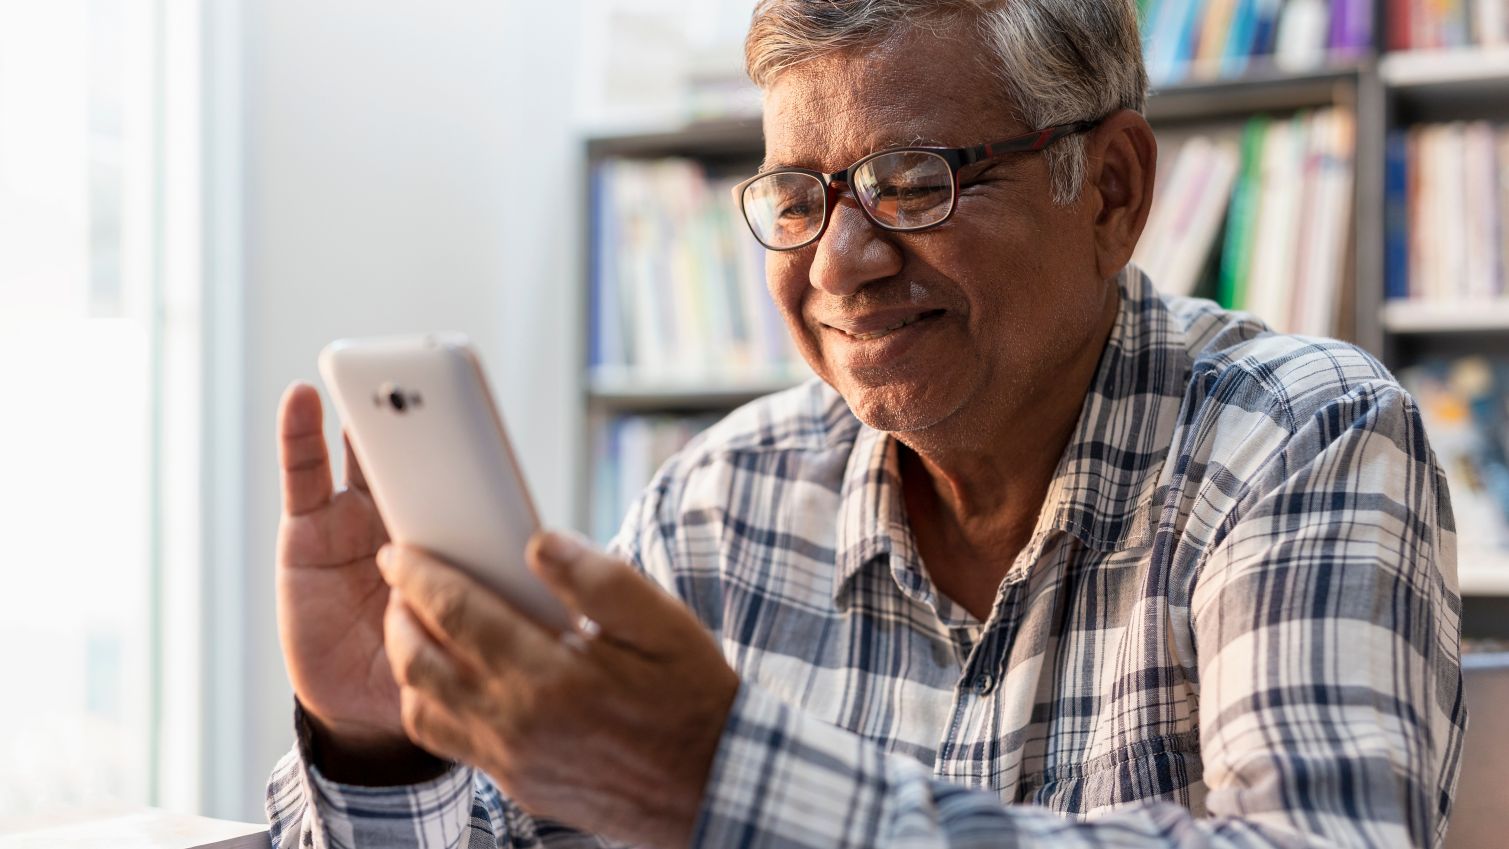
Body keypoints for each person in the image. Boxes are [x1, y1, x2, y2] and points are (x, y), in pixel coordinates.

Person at [266, 0, 1466, 846]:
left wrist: (718, 781)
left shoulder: (1303, 437)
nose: (840, 263)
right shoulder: (719, 501)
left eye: (914, 180)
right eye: (799, 195)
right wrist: (378, 740)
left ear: (1111, 192)